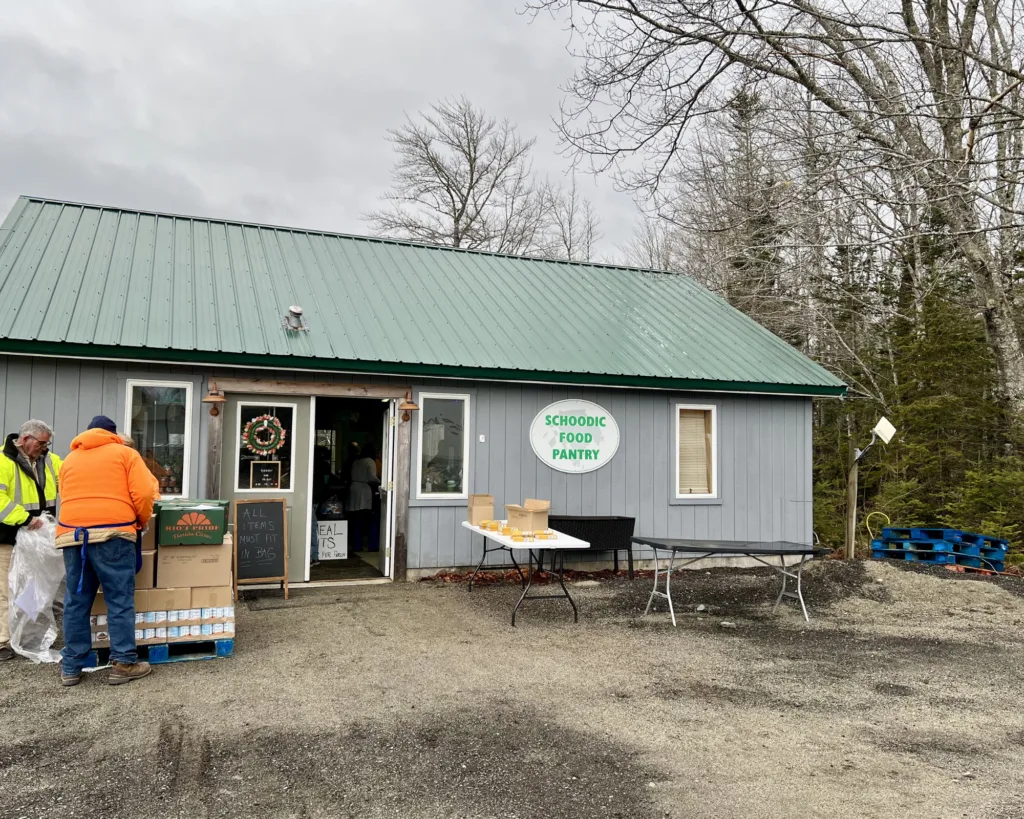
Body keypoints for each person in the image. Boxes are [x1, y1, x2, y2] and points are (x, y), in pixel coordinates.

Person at [55, 415, 158, 687]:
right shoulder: (126, 454)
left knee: (76, 602)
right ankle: (123, 663)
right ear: (113, 434)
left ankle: (71, 667)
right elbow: (145, 493)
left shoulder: (69, 460)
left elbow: (64, 495)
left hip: (72, 535)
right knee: (119, 599)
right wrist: (141, 520)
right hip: (114, 533)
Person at [0, 420, 62, 661]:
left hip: (36, 540)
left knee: (33, 589)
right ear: (25, 439)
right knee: (5, 589)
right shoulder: (4, 461)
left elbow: (71, 475)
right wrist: (25, 519)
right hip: (7, 538)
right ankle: (3, 640)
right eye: (41, 443)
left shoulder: (49, 461)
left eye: (47, 443)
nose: (45, 448)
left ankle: (24, 634)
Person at [348, 444, 379, 552]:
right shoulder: (370, 461)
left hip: (354, 488)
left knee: (357, 518)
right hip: (364, 489)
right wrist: (381, 482)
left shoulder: (356, 461)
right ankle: (372, 545)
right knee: (370, 518)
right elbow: (372, 477)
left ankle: (356, 545)